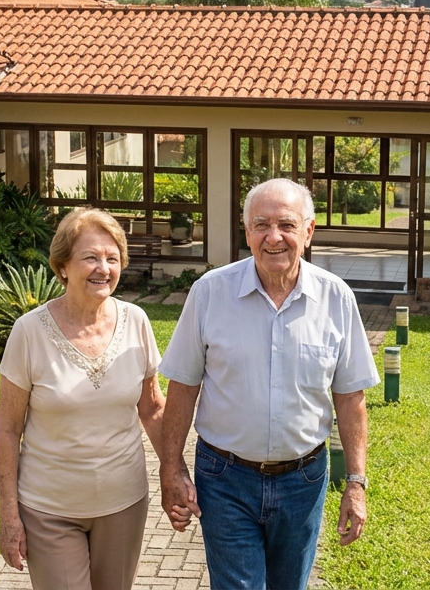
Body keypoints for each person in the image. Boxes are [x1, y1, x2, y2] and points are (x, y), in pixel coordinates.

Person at [158, 178, 380, 589]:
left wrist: (356, 484)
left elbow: (351, 398)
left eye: (287, 225)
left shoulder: (336, 298)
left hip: (304, 481)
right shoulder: (209, 293)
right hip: (224, 479)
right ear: (246, 232)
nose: (273, 237)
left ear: (309, 232)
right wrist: (171, 469)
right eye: (261, 224)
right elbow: (183, 387)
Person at [0, 207, 166, 590]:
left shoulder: (137, 320)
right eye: (90, 257)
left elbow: (153, 409)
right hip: (49, 509)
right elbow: (7, 429)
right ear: (63, 267)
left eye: (112, 258)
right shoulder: (29, 332)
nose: (103, 268)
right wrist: (8, 514)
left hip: (124, 502)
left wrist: (174, 472)